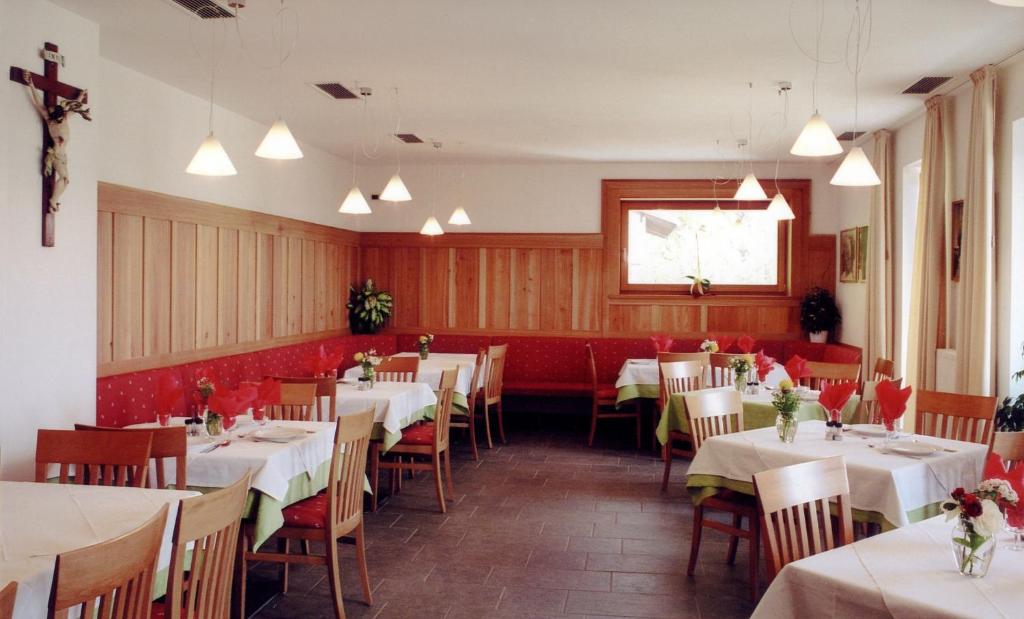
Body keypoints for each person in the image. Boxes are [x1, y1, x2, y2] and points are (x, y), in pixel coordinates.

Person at [23, 73, 90, 213]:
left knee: (66, 181)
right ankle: (53, 201)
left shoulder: (64, 117)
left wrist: (81, 97)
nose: (59, 119)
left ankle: (54, 200)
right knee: (64, 178)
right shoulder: (50, 120)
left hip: (64, 155)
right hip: (55, 154)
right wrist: (31, 85)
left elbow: (74, 108)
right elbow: (38, 103)